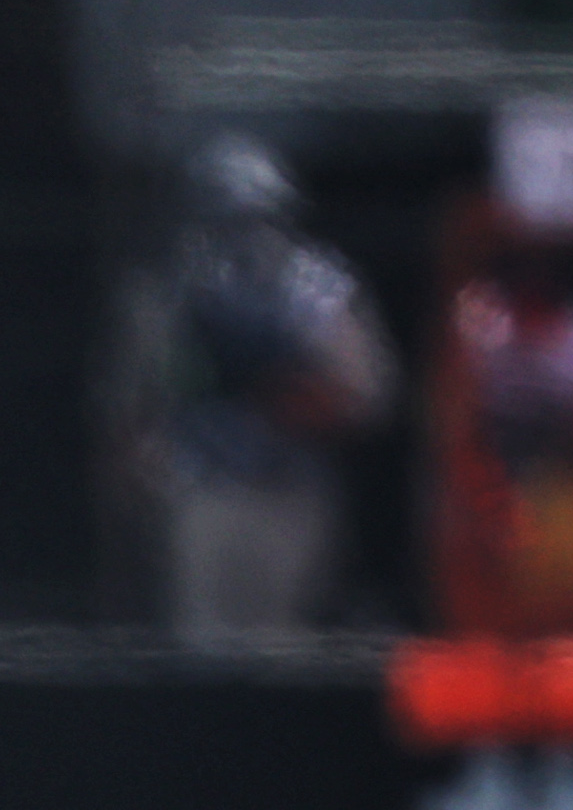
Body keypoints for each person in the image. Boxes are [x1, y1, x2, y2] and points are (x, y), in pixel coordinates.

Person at [135, 133, 389, 638]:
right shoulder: (172, 289)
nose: (242, 236)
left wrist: (289, 397)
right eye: (223, 218)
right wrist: (151, 465)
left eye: (255, 218)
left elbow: (368, 398)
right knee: (202, 640)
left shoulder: (319, 291)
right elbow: (141, 399)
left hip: (290, 489)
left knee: (284, 641)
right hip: (203, 488)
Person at [439, 235, 573, 632]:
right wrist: (491, 501)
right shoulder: (478, 331)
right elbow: (457, 431)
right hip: (497, 487)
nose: (534, 275)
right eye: (523, 263)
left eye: (545, 263)